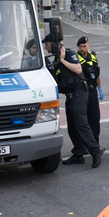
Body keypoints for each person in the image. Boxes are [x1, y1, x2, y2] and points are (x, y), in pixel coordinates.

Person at [43, 34, 102, 168]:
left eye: (46, 44)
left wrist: (63, 60)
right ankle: (78, 154)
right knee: (73, 127)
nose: (45, 47)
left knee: (82, 125)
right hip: (70, 95)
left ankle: (95, 151)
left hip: (79, 93)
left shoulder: (68, 53)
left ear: (52, 43)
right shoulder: (56, 57)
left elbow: (78, 69)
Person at [77, 36, 103, 154]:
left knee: (95, 118)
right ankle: (83, 145)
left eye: (85, 46)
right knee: (83, 120)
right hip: (82, 91)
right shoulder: (75, 58)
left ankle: (95, 144)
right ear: (78, 47)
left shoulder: (93, 57)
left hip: (92, 91)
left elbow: (96, 74)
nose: (83, 49)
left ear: (88, 46)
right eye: (81, 46)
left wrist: (100, 89)